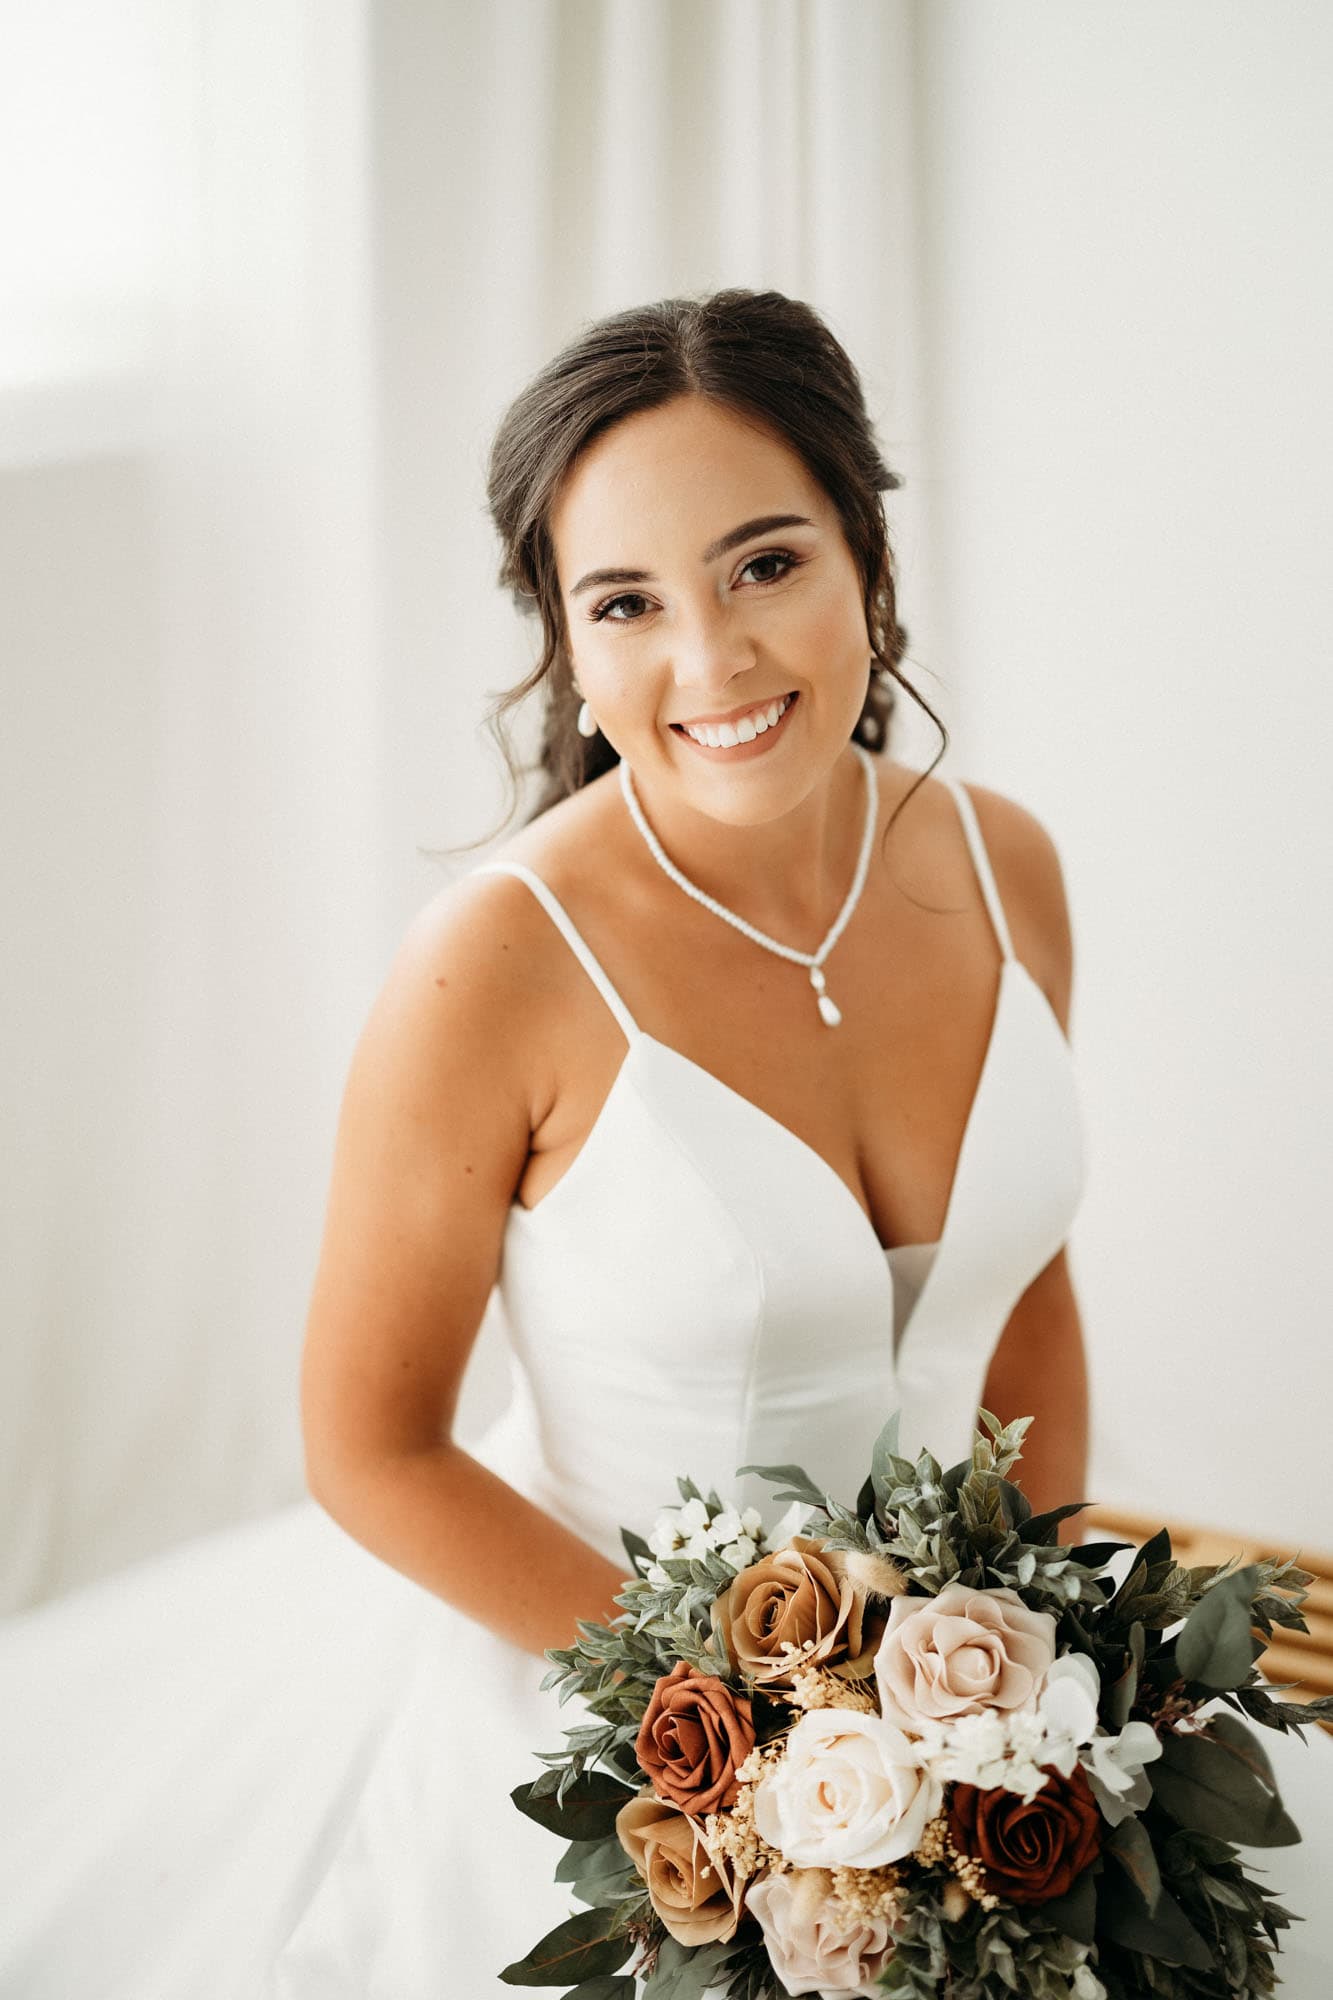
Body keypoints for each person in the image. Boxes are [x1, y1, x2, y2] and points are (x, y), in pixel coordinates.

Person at [0, 287, 1326, 1998]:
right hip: (622, 1717)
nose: (710, 662)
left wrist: (1042, 1663)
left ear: (865, 551)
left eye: (765, 564)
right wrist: (734, 1735)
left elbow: (1028, 1289)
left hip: (978, 1718)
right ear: (566, 634)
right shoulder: (489, 971)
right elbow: (368, 1445)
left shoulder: (1010, 870)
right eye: (627, 601)